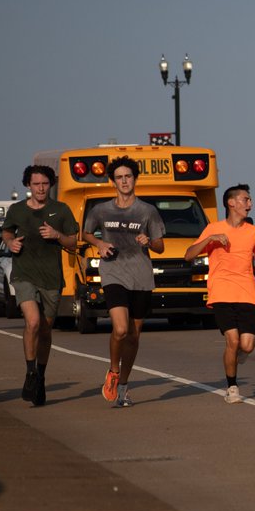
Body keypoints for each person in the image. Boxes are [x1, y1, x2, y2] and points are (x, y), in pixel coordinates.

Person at [81, 156, 165, 408]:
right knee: (120, 329)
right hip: (113, 274)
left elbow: (160, 246)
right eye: (119, 177)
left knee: (134, 335)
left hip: (140, 276)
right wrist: (99, 243)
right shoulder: (101, 210)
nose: (124, 181)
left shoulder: (147, 211)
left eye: (128, 176)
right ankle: (113, 371)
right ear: (113, 182)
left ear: (135, 179)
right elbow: (84, 233)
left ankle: (124, 386)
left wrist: (148, 241)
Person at [2, 165, 79, 406]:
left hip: (51, 278)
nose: (41, 188)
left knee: (45, 330)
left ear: (51, 184)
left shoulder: (61, 210)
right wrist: (11, 242)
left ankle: (41, 377)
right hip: (24, 274)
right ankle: (30, 373)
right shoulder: (17, 210)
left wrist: (57, 235)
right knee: (32, 322)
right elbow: (6, 232)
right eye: (36, 184)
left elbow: (74, 242)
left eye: (45, 184)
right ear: (28, 185)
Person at [184, 184, 255, 404]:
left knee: (247, 345)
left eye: (249, 200)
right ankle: (232, 387)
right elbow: (188, 255)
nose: (249, 204)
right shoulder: (213, 228)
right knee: (232, 340)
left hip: (246, 292)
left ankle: (238, 355)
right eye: (245, 199)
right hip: (221, 291)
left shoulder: (254, 232)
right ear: (231, 203)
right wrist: (209, 240)